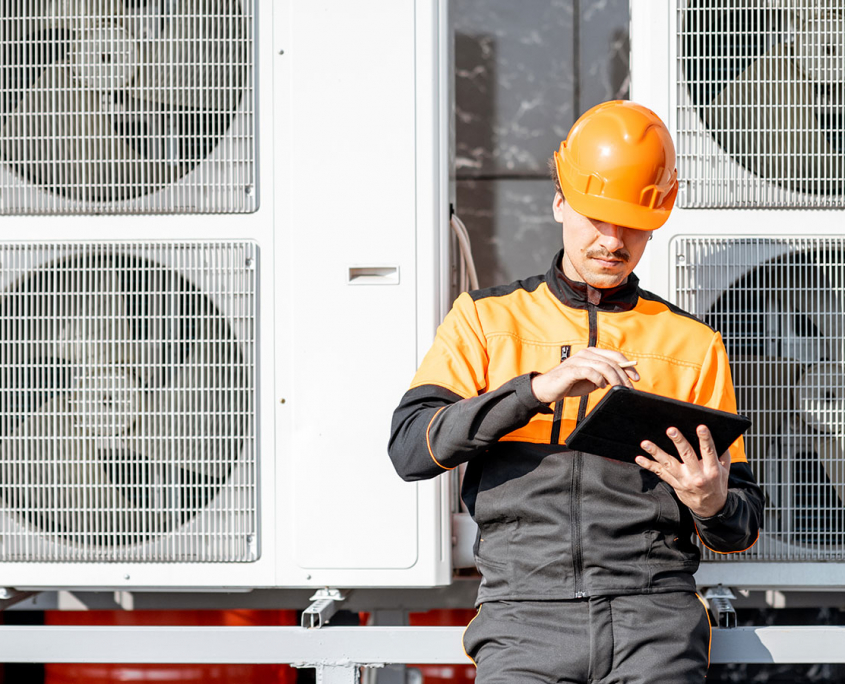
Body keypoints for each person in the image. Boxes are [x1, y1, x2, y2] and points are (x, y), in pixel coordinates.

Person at [387, 100, 764, 684]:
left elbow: (740, 526)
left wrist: (711, 502)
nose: (613, 240)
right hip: (523, 623)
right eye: (596, 216)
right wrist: (535, 390)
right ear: (559, 200)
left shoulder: (693, 343)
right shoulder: (485, 320)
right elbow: (412, 449)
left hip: (655, 625)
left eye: (632, 224)